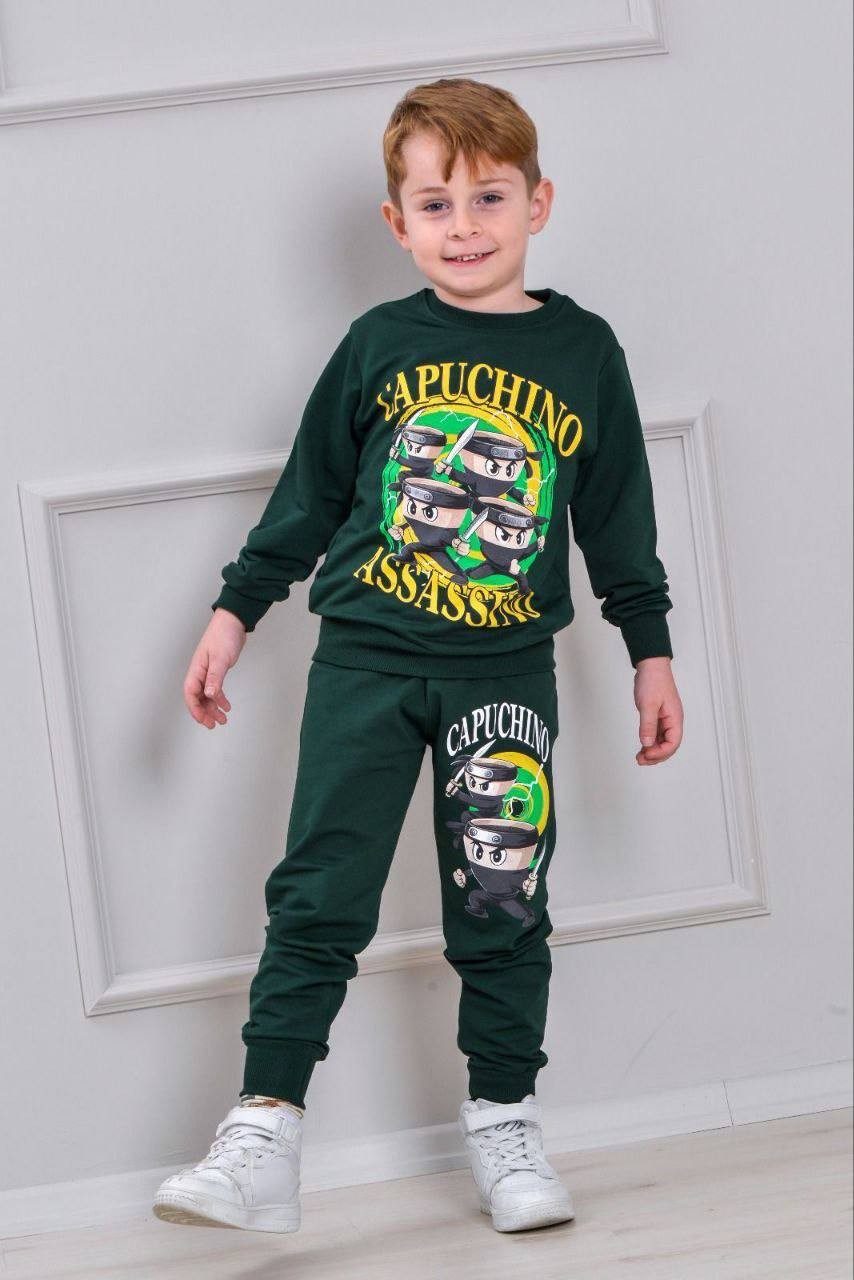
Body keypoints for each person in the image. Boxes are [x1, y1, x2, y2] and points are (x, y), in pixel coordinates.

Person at [153, 76, 684, 1237]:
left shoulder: (582, 351)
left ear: (538, 201)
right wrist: (234, 612)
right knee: (317, 894)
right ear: (397, 223)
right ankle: (263, 1131)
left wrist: (648, 650)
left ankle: (504, 1119)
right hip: (363, 665)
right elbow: (307, 496)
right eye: (435, 204)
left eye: (488, 197)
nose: (464, 225)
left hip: (505, 675)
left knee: (501, 897)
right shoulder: (377, 344)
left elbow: (615, 519)